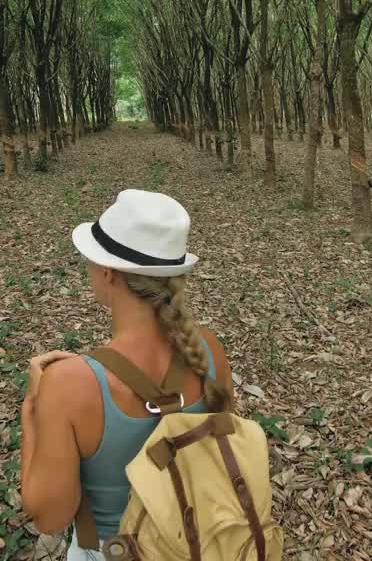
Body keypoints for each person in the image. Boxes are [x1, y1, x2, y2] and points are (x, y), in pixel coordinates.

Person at [20, 189, 234, 559]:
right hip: (199, 542)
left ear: (108, 272)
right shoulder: (209, 350)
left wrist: (32, 407)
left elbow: (49, 518)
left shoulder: (69, 384)